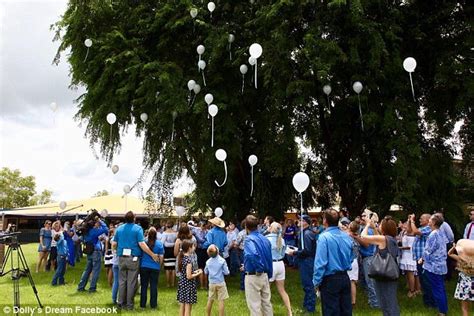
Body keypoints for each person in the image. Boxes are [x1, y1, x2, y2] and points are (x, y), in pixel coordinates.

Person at [112, 211, 159, 310]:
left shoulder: (119, 229)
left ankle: (120, 303)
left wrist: (116, 252)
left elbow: (114, 243)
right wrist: (152, 254)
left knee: (122, 281)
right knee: (131, 282)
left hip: (121, 257)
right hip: (133, 258)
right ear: (134, 218)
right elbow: (142, 244)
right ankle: (129, 305)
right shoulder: (138, 229)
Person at [313, 209, 354, 316]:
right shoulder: (347, 236)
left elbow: (320, 263)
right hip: (345, 277)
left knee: (331, 311)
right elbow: (351, 257)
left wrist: (316, 281)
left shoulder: (324, 237)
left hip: (330, 279)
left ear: (325, 221)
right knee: (346, 311)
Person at [361, 216, 400, 316]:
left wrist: (367, 225)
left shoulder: (383, 239)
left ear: (384, 228)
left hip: (383, 275)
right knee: (389, 302)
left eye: (381, 224)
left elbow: (363, 237)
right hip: (389, 273)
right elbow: (378, 239)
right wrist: (374, 228)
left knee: (387, 304)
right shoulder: (390, 239)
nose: (379, 225)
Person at [243, 214, 273, 316]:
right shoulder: (265, 239)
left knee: (255, 307)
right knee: (266, 304)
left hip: (254, 275)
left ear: (246, 227)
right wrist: (269, 273)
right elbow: (269, 257)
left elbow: (253, 254)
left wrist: (259, 268)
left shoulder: (248, 239)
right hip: (265, 274)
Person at [419, 214, 448, 316]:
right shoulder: (441, 233)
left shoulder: (433, 234)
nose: (429, 221)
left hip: (434, 266)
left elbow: (428, 251)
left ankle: (442, 312)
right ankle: (444, 309)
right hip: (442, 265)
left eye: (430, 220)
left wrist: (422, 259)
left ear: (434, 222)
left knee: (437, 289)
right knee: (441, 287)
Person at [288, 214, 316, 314]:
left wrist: (294, 253)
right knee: (306, 284)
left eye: (300, 220)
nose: (298, 221)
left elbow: (307, 251)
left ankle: (310, 308)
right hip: (305, 260)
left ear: (305, 222)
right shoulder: (304, 232)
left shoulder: (307, 234)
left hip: (307, 261)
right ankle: (306, 305)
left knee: (309, 285)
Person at [407, 213, 435, 308]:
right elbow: (409, 231)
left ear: (428, 220)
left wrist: (412, 221)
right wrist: (409, 221)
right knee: (423, 281)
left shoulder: (428, 228)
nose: (419, 220)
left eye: (421, 218)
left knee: (426, 281)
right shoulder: (422, 228)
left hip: (424, 259)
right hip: (419, 259)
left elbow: (414, 232)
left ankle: (431, 303)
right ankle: (427, 302)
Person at [352, 210, 379, 309]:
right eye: (362, 215)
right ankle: (372, 301)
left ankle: (375, 304)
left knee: (371, 282)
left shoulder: (370, 229)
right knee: (368, 282)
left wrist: (355, 237)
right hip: (365, 258)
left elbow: (367, 244)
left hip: (369, 258)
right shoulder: (364, 228)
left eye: (364, 216)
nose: (362, 217)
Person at [77, 213, 108, 293]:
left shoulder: (84, 232)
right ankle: (92, 288)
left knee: (87, 270)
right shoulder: (93, 231)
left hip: (89, 252)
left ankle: (81, 286)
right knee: (95, 270)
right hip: (96, 251)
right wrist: (99, 220)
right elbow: (105, 229)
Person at [266, 222, 292, 316]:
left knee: (266, 291)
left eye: (270, 226)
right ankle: (290, 312)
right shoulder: (282, 239)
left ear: (271, 228)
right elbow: (284, 253)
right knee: (282, 290)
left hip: (271, 264)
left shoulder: (267, 239)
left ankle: (267, 312)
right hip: (281, 264)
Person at [140, 227, 164, 309]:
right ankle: (153, 305)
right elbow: (161, 257)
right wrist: (159, 266)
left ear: (148, 234)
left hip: (144, 266)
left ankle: (142, 305)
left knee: (144, 286)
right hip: (155, 267)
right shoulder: (159, 244)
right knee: (154, 286)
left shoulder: (144, 242)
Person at [448, 239, 474, 316]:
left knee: (464, 307)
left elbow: (450, 254)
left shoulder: (461, 259)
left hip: (464, 285)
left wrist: (454, 247)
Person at [177, 239, 202, 316]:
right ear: (189, 248)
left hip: (183, 284)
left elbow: (185, 273)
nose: (194, 247)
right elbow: (189, 276)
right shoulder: (189, 261)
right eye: (193, 246)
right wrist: (198, 273)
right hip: (188, 285)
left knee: (182, 305)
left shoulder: (182, 258)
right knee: (188, 307)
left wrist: (195, 272)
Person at [204, 244, 230, 316]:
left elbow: (205, 272)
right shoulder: (222, 261)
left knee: (210, 299)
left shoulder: (208, 262)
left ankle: (207, 314)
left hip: (212, 283)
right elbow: (226, 272)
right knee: (221, 301)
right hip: (221, 282)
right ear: (218, 251)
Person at [398, 220, 418, 297]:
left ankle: (412, 291)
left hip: (409, 256)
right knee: (408, 274)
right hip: (405, 255)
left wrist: (399, 247)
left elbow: (409, 247)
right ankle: (410, 287)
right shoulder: (405, 233)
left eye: (406, 224)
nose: (404, 225)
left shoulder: (411, 234)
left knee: (411, 274)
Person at [346, 221, 360, 306]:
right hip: (355, 260)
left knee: (349, 281)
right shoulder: (357, 237)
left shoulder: (347, 236)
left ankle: (349, 300)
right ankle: (353, 300)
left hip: (349, 260)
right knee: (353, 282)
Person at [161, 220, 178, 287]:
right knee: (173, 268)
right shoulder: (175, 233)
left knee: (167, 268)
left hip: (167, 250)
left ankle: (168, 283)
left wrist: (167, 244)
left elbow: (162, 243)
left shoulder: (164, 233)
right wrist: (173, 244)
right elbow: (176, 242)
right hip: (174, 250)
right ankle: (173, 283)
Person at [236, 220, 248, 290]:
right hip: (249, 252)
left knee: (243, 268)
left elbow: (237, 243)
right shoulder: (252, 233)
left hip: (243, 252)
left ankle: (243, 286)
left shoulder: (241, 233)